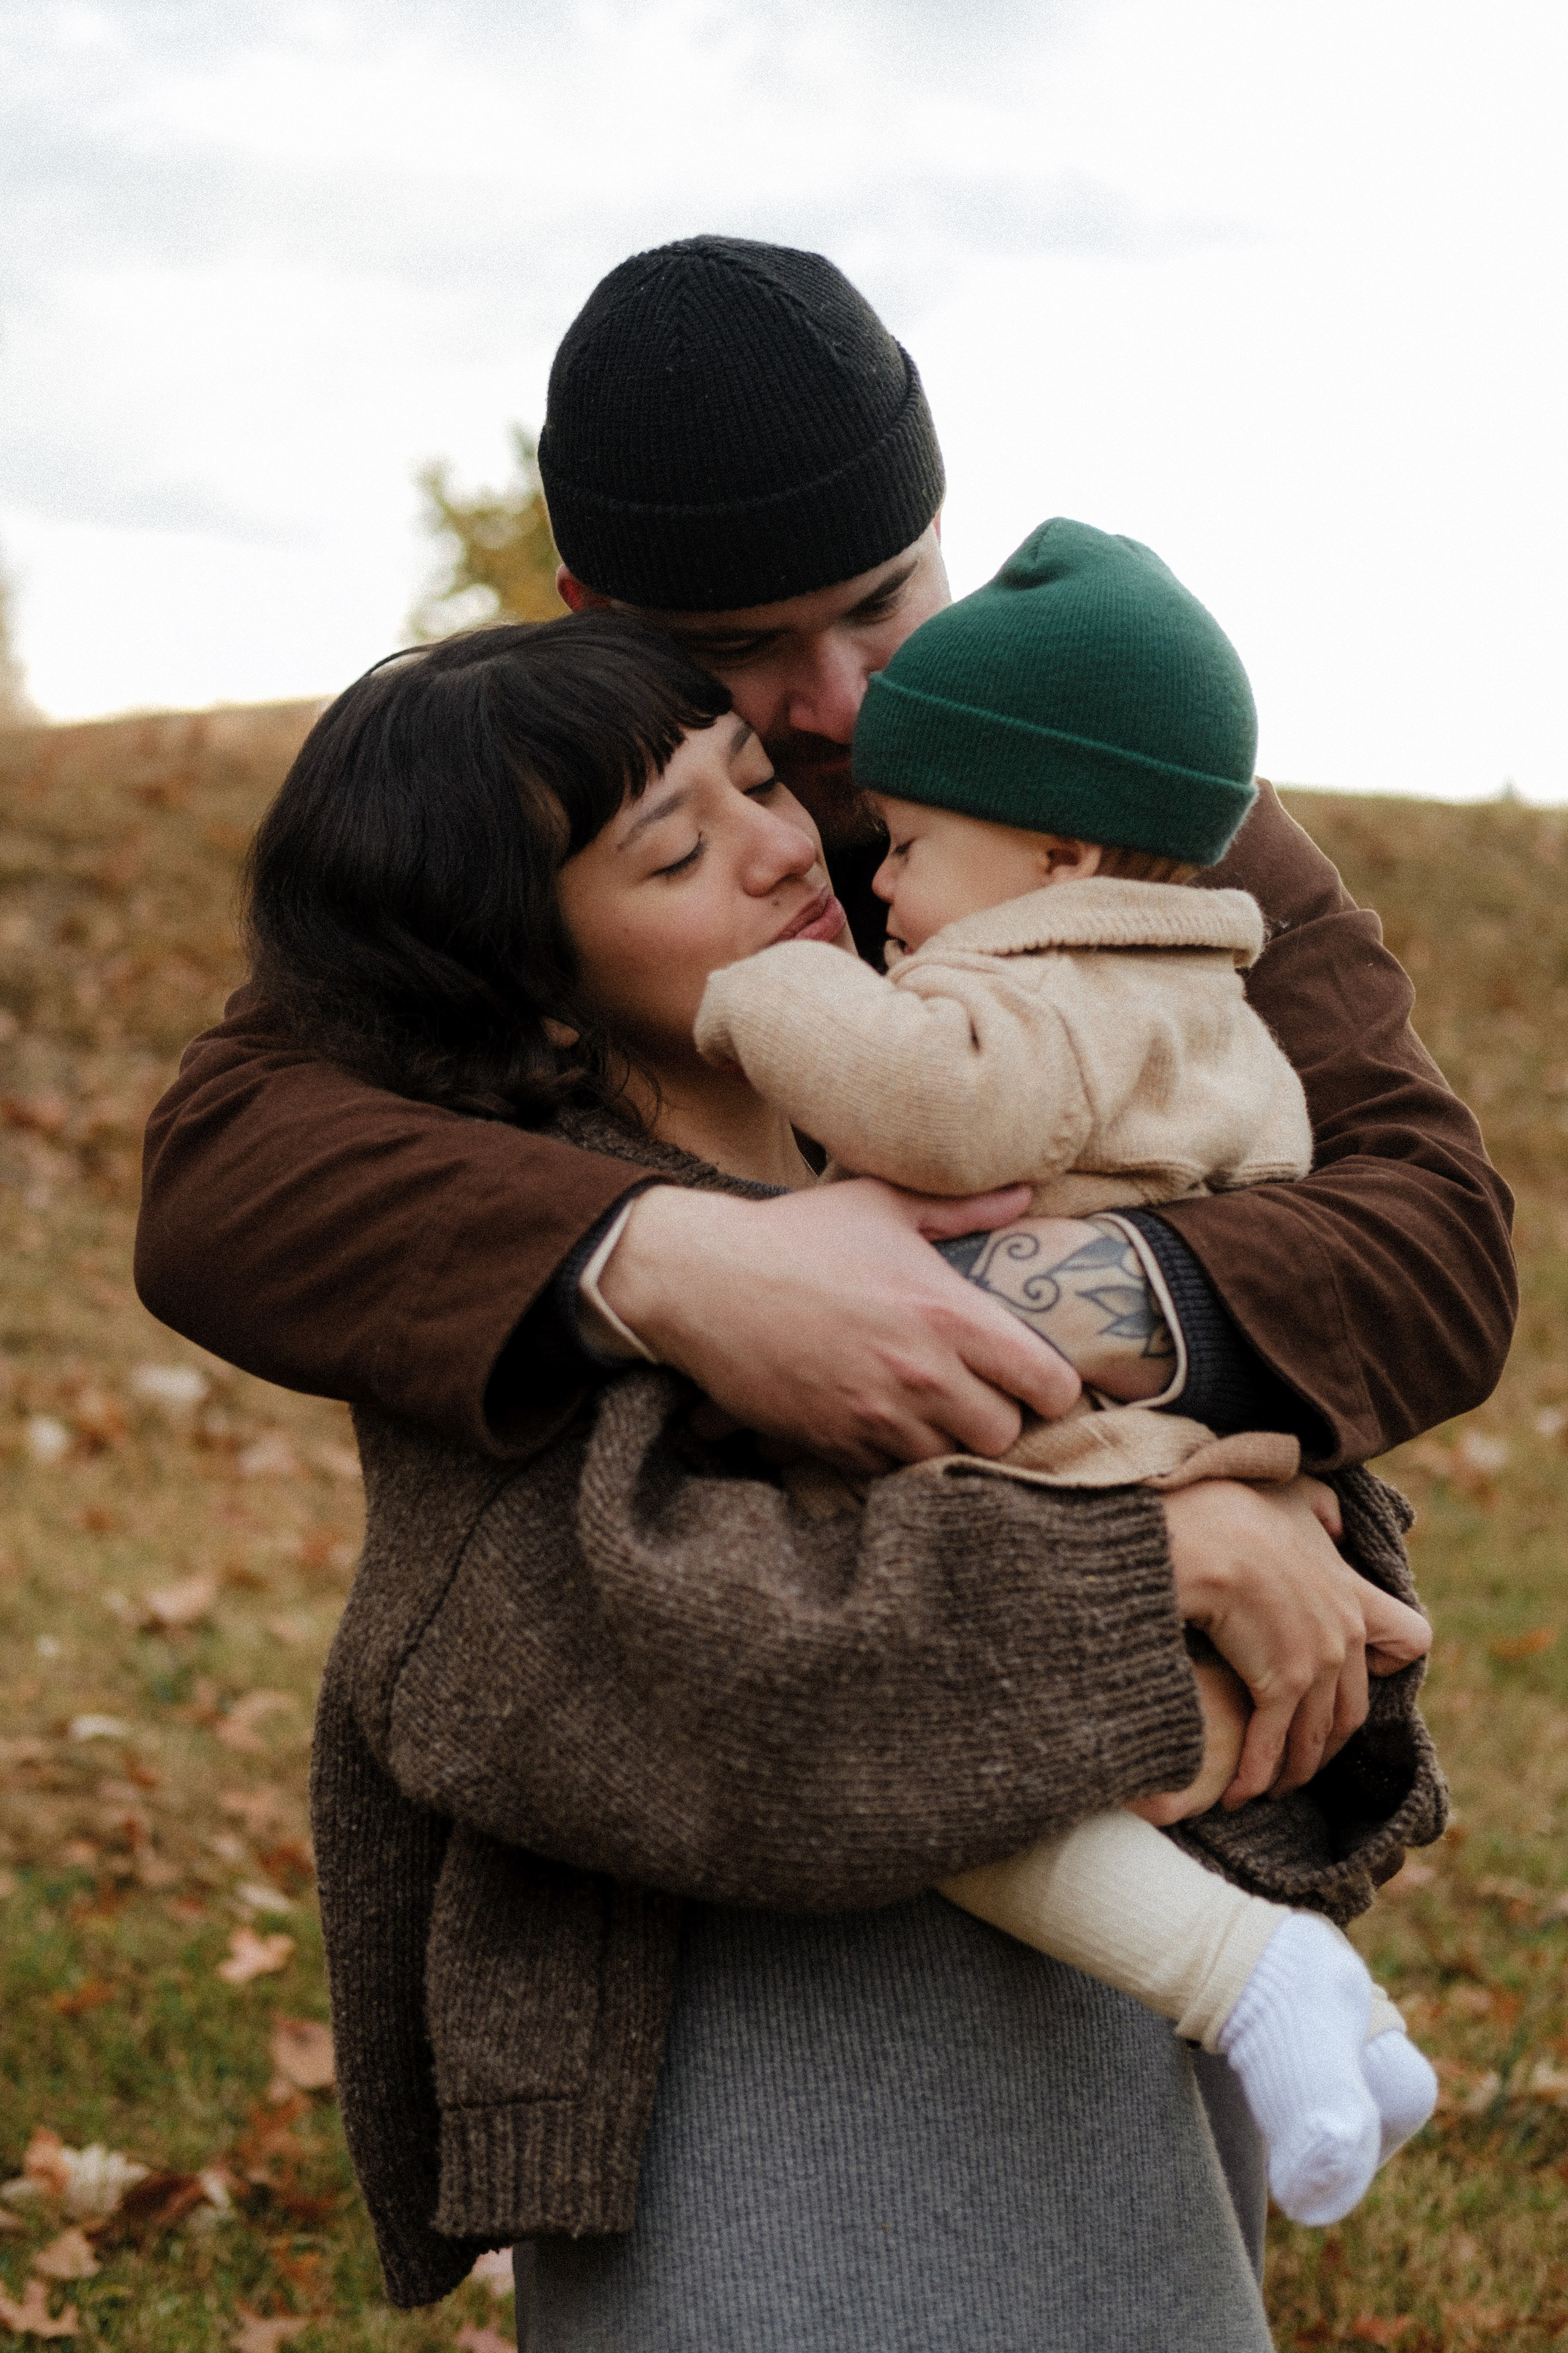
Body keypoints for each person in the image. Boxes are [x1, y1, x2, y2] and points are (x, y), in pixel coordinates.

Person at [134, 233, 1511, 2274]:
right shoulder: (532, 800)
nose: (846, 705)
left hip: (1113, 1745)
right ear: (604, 614)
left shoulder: (1103, 775)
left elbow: (1430, 1226)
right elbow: (233, 1161)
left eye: (885, 597)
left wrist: (1073, 1333)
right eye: (752, 651)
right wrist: (672, 1255)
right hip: (733, 1818)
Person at [264, 616, 1446, 2349]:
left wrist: (1276, 1519)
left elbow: (1267, 1380)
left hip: (1097, 2066)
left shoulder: (966, 1088)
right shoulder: (521, 1259)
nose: (773, 842)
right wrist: (1154, 1563)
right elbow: (682, 1661)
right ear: (529, 975)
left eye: (751, 779)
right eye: (674, 847)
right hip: (758, 2119)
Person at [695, 514, 1444, 2226]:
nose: (874, 883)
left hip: (1072, 1479)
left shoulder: (1047, 995)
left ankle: (1253, 1983)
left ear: (1054, 853)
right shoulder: (1203, 990)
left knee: (929, 1771)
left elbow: (940, 1102)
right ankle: (1340, 2020)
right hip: (1198, 1461)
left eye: (910, 845)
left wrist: (770, 990)